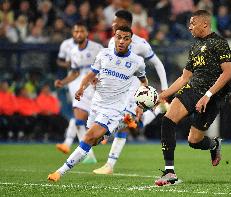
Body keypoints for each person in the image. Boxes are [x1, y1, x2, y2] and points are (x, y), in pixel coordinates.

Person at [47, 26, 148, 182]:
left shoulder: (137, 62)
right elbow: (91, 74)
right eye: (119, 37)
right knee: (94, 140)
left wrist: (140, 105)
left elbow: (144, 83)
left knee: (88, 137)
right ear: (114, 37)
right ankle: (118, 125)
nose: (121, 41)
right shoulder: (103, 54)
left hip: (114, 108)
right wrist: (82, 87)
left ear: (130, 41)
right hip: (96, 104)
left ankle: (60, 172)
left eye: (125, 38)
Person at [154, 10, 231, 186]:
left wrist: (208, 95)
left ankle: (213, 145)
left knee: (194, 141)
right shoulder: (195, 46)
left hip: (213, 95)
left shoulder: (219, 43)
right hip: (192, 89)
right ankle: (169, 173)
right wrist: (163, 95)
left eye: (192, 23)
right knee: (167, 120)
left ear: (204, 23)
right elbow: (184, 77)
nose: (189, 27)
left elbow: (228, 73)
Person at [93, 10, 168, 175]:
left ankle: (109, 164)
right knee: (129, 124)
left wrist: (165, 89)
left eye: (115, 21)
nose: (112, 24)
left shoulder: (140, 44)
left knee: (125, 125)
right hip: (117, 91)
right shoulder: (113, 42)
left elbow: (158, 64)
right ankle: (156, 111)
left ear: (124, 22)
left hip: (134, 91)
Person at [54, 21, 103, 163]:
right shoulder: (73, 52)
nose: (79, 34)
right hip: (81, 87)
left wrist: (98, 77)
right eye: (76, 32)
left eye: (81, 31)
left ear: (86, 33)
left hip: (97, 87)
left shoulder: (96, 47)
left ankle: (104, 135)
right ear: (73, 34)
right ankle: (88, 154)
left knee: (99, 120)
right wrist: (62, 82)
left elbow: (106, 64)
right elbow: (75, 73)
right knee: (78, 121)